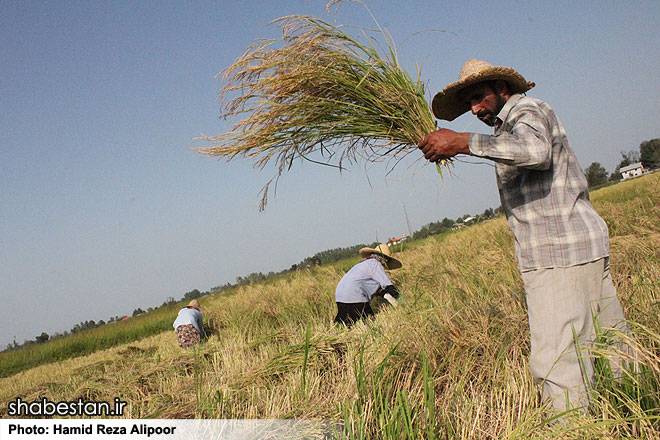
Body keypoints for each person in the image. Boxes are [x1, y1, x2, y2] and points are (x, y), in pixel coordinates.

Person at [418, 59, 629, 412]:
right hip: (582, 248)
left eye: (479, 97)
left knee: (557, 365)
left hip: (558, 256)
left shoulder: (526, 110)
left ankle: (571, 433)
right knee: (615, 348)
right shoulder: (507, 129)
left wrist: (463, 142)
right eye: (469, 103)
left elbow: (535, 151)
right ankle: (637, 412)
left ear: (502, 88)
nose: (475, 109)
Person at [334, 243, 402, 327]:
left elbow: (378, 290)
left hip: (340, 295)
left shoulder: (363, 264)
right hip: (355, 294)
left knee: (345, 323)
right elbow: (388, 286)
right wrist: (401, 301)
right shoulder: (376, 264)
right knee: (369, 322)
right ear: (385, 259)